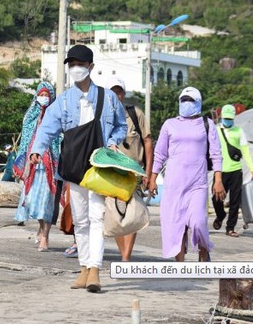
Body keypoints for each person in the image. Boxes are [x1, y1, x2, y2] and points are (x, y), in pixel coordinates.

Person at [29, 45, 126, 293]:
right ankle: (84, 267)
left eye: (80, 64)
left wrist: (114, 142)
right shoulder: (63, 101)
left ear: (91, 67)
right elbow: (48, 127)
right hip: (73, 165)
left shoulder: (108, 98)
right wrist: (36, 150)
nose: (75, 68)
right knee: (80, 220)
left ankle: (95, 269)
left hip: (99, 165)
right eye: (71, 64)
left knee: (96, 217)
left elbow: (120, 126)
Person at [148, 87, 225, 262]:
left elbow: (216, 153)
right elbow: (160, 154)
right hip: (173, 184)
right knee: (176, 225)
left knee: (198, 222)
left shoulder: (207, 124)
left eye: (190, 100)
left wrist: (218, 179)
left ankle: (204, 250)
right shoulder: (170, 124)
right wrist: (153, 178)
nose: (186, 103)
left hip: (197, 183)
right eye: (183, 100)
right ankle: (180, 266)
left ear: (198, 102)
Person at [106, 76, 154, 261]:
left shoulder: (136, 114)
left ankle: (126, 258)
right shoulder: (102, 117)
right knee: (116, 216)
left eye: (118, 91)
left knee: (133, 214)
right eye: (112, 91)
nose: (115, 95)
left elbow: (148, 142)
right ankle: (124, 256)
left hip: (134, 173)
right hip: (111, 173)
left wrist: (148, 174)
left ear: (123, 94)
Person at [13, 82, 61, 252]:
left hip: (50, 166)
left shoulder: (56, 116)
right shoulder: (30, 117)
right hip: (32, 167)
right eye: (42, 95)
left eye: (47, 95)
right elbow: (25, 139)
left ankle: (45, 237)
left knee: (46, 203)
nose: (44, 98)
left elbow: (59, 139)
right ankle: (41, 228)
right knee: (33, 201)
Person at [212, 104, 253, 237]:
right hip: (220, 171)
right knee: (216, 198)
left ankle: (230, 227)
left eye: (230, 118)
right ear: (221, 117)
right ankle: (220, 215)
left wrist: (252, 168)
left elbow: (245, 151)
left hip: (236, 170)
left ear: (234, 118)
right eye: (225, 118)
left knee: (235, 200)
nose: (228, 120)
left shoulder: (239, 131)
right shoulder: (215, 130)